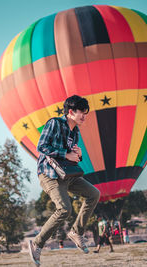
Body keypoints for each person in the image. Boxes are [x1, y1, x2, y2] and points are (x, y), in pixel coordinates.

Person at [28, 95, 100, 266]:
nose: (84, 115)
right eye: (81, 112)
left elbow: (71, 157)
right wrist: (66, 154)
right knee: (64, 209)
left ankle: (77, 232)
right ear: (70, 112)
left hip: (67, 174)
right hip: (50, 175)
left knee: (94, 194)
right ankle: (37, 244)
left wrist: (78, 156)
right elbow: (42, 147)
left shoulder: (75, 132)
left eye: (85, 112)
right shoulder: (55, 123)